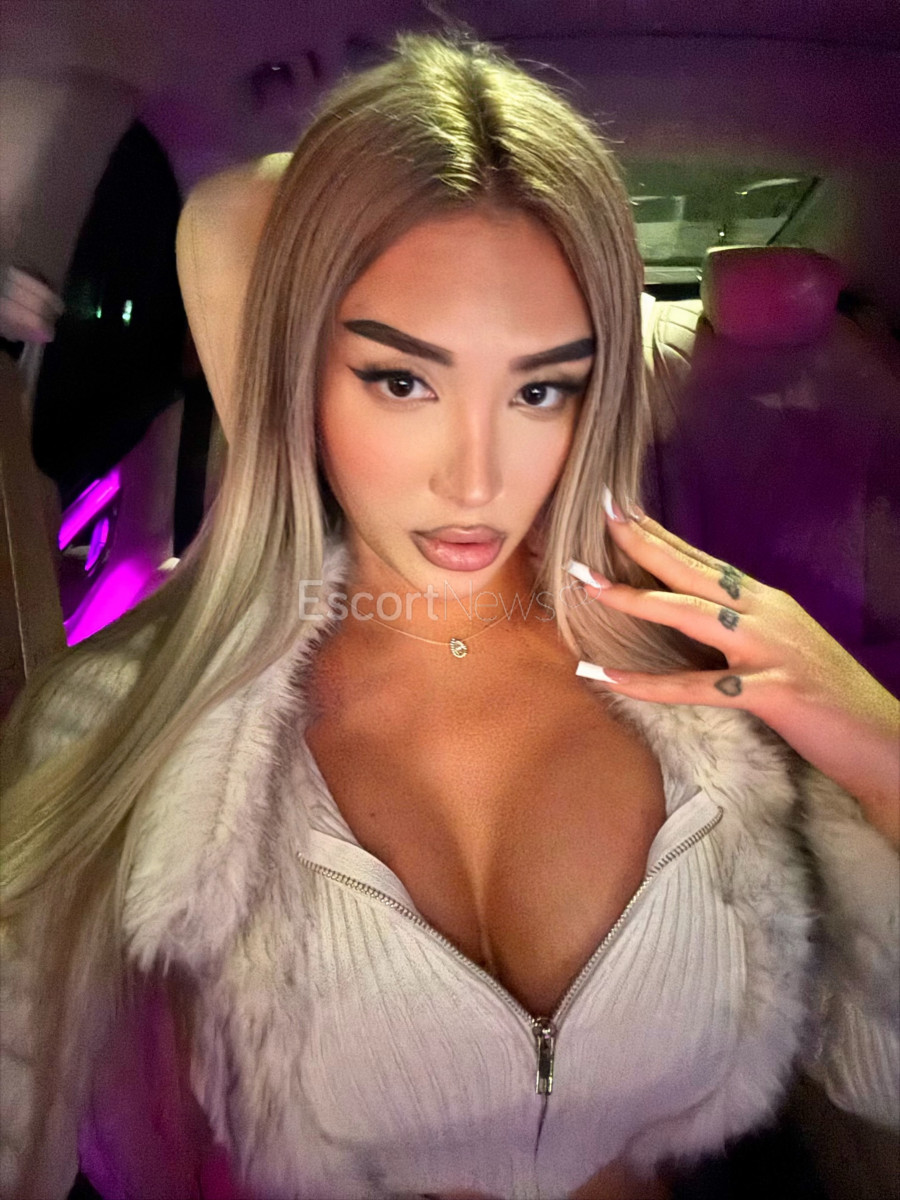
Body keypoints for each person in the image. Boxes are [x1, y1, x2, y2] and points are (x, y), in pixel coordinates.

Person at [1, 31, 898, 1200]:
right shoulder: (126, 710)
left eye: (541, 388)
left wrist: (885, 750)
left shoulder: (711, 675)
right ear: (300, 373)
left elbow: (881, 1067)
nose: (475, 479)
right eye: (402, 380)